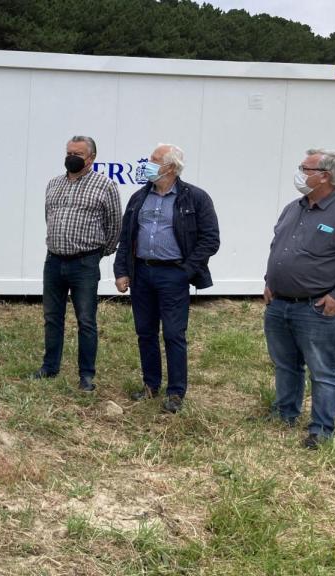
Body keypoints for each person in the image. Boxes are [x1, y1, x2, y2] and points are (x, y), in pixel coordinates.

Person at [114, 143, 220, 414]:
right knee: (145, 332)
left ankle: (175, 392)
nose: (147, 163)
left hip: (173, 274)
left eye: (154, 159)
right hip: (142, 272)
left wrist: (186, 270)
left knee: (173, 334)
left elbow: (210, 239)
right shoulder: (139, 197)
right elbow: (127, 237)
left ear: (171, 167)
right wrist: (121, 271)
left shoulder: (195, 198)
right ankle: (150, 385)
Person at [264, 149, 335, 449]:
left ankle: (321, 429)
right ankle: (285, 412)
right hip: (279, 303)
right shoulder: (294, 207)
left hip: (317, 308)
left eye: (305, 168)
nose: (300, 173)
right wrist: (269, 281)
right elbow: (278, 246)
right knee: (285, 364)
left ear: (325, 176)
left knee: (323, 371)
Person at [31, 136, 121, 391]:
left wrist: (98, 254)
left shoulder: (105, 185)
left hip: (84, 263)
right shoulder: (54, 184)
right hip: (53, 260)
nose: (71, 157)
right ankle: (50, 367)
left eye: (78, 154)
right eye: (69, 152)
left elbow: (115, 225)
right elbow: (49, 217)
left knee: (86, 320)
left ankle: (86, 375)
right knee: (52, 317)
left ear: (91, 158)